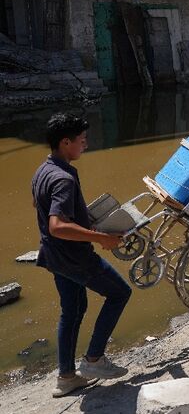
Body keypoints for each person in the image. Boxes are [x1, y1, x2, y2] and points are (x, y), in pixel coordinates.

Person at [32, 113, 132, 398]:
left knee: (73, 311)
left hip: (54, 256)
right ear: (66, 142)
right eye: (82, 140)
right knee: (119, 293)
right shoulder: (63, 178)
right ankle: (94, 360)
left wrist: (88, 220)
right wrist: (101, 238)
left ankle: (66, 378)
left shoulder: (44, 169)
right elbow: (58, 225)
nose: (85, 145)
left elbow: (46, 211)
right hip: (74, 257)